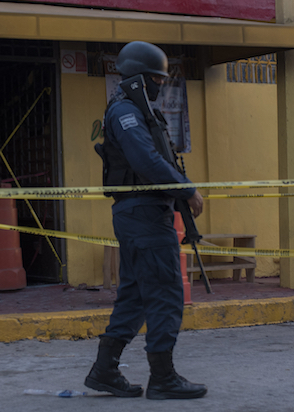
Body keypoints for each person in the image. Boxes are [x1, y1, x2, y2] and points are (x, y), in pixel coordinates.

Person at [85, 41, 207, 400]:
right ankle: (163, 378)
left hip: (140, 213)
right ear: (140, 78)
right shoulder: (125, 112)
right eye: (156, 78)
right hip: (143, 214)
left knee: (136, 295)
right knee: (166, 291)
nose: (159, 85)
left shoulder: (135, 111)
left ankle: (105, 371)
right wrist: (187, 190)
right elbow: (145, 161)